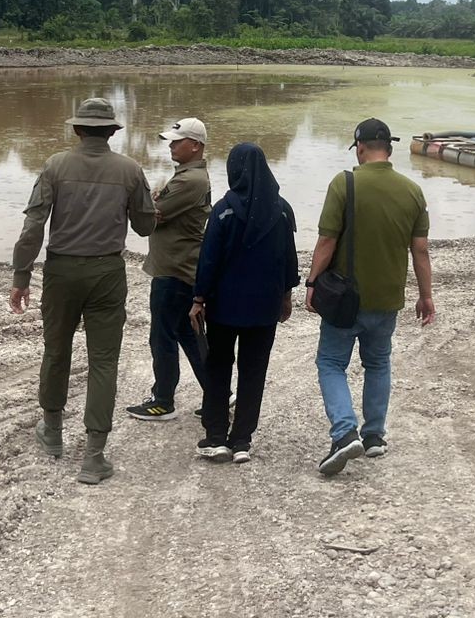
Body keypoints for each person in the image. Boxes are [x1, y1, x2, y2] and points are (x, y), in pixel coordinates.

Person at [9, 97, 155, 485]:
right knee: (103, 361)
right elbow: (145, 227)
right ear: (111, 131)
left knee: (56, 351)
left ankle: (53, 432)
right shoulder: (130, 170)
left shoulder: (55, 166)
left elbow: (32, 227)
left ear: (77, 130)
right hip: (107, 271)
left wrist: (21, 275)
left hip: (61, 270)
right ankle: (94, 455)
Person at [306, 118, 435, 477]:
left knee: (331, 363)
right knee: (378, 363)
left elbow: (327, 242)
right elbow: (420, 251)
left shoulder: (344, 183)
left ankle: (345, 431)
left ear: (360, 147)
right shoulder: (412, 191)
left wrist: (312, 283)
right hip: (388, 300)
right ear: (389, 148)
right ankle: (374, 435)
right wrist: (426, 296)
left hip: (345, 300)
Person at [189, 143, 299, 464]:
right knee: (254, 372)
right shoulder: (282, 210)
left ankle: (216, 437)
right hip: (264, 308)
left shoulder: (223, 210)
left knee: (219, 367)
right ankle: (241, 442)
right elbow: (288, 260)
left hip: (224, 307)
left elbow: (208, 260)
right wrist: (286, 296)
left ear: (235, 170)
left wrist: (198, 298)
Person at [126, 117, 212, 423]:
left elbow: (151, 215)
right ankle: (216, 392)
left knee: (162, 337)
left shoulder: (189, 181)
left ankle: (163, 401)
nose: (171, 146)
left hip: (175, 270)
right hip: (179, 267)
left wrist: (145, 200)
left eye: (177, 141)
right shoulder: (187, 177)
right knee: (185, 333)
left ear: (195, 146)